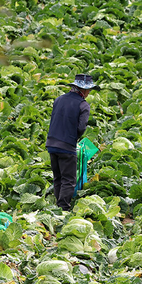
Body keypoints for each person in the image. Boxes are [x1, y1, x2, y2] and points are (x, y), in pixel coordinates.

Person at [46, 74, 100, 212]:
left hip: (52, 143)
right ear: (83, 90)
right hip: (66, 146)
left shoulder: (59, 100)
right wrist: (73, 139)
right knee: (69, 180)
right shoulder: (83, 105)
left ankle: (56, 208)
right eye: (89, 90)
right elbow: (81, 127)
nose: (89, 93)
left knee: (57, 177)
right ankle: (63, 208)